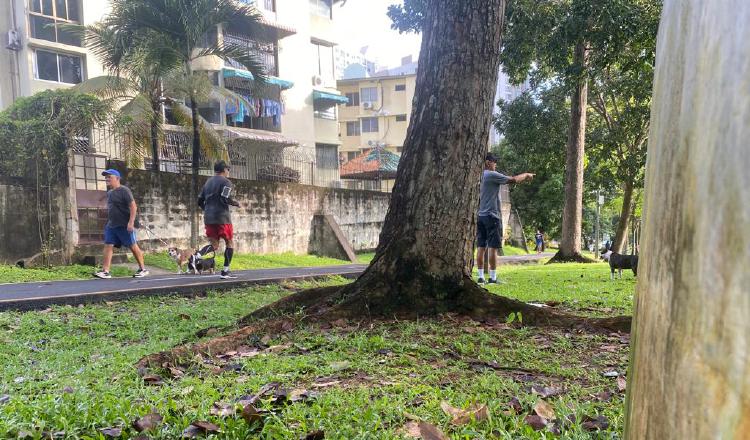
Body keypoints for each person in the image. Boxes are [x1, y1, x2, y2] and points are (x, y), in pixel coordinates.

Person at [476, 153, 534, 284]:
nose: (495, 164)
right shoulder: (491, 175)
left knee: (480, 246)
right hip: (492, 216)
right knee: (493, 247)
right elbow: (513, 180)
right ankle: (493, 278)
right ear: (487, 162)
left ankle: (480, 277)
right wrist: (526, 175)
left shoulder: (478, 176)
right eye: (494, 161)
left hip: (481, 216)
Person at [94, 169, 149, 279]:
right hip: (112, 225)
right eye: (106, 177)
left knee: (132, 246)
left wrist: (131, 222)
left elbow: (133, 206)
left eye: (109, 177)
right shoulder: (109, 193)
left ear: (117, 178)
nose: (107, 179)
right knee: (108, 245)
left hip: (124, 225)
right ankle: (105, 271)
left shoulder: (124, 190)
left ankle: (142, 269)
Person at [198, 160, 240, 279]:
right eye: (228, 170)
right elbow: (225, 198)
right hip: (222, 218)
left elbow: (199, 201)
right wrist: (236, 203)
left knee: (214, 245)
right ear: (224, 169)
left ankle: (198, 255)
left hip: (209, 218)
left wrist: (207, 210)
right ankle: (225, 271)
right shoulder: (226, 182)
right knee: (229, 242)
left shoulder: (208, 182)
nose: (228, 172)